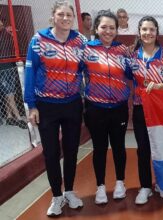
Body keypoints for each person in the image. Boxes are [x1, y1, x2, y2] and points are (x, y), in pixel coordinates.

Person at [24, 1, 86, 216]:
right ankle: (56, 197)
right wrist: (31, 105)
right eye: (61, 14)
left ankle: (69, 191)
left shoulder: (81, 41)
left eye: (69, 14)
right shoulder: (38, 39)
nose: (66, 18)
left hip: (72, 104)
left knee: (71, 151)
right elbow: (30, 72)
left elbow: (90, 67)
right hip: (46, 106)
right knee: (51, 153)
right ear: (53, 17)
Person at [82, 10, 132, 205]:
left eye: (112, 27)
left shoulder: (122, 50)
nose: (108, 31)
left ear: (116, 30)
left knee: (119, 147)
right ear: (96, 28)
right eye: (104, 27)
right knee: (99, 148)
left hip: (119, 107)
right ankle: (100, 186)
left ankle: (120, 183)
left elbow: (131, 74)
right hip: (95, 108)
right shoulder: (86, 50)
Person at [130, 16, 163, 204]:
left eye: (152, 30)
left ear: (157, 32)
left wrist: (158, 86)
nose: (148, 33)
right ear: (139, 32)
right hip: (140, 109)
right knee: (143, 149)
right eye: (144, 29)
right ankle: (145, 187)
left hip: (162, 111)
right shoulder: (132, 56)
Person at [0, 19, 27, 129]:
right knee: (9, 94)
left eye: (1, 22)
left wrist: (10, 33)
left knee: (10, 92)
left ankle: (10, 117)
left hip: (10, 65)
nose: (1, 24)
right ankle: (18, 118)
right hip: (2, 67)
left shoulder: (5, 34)